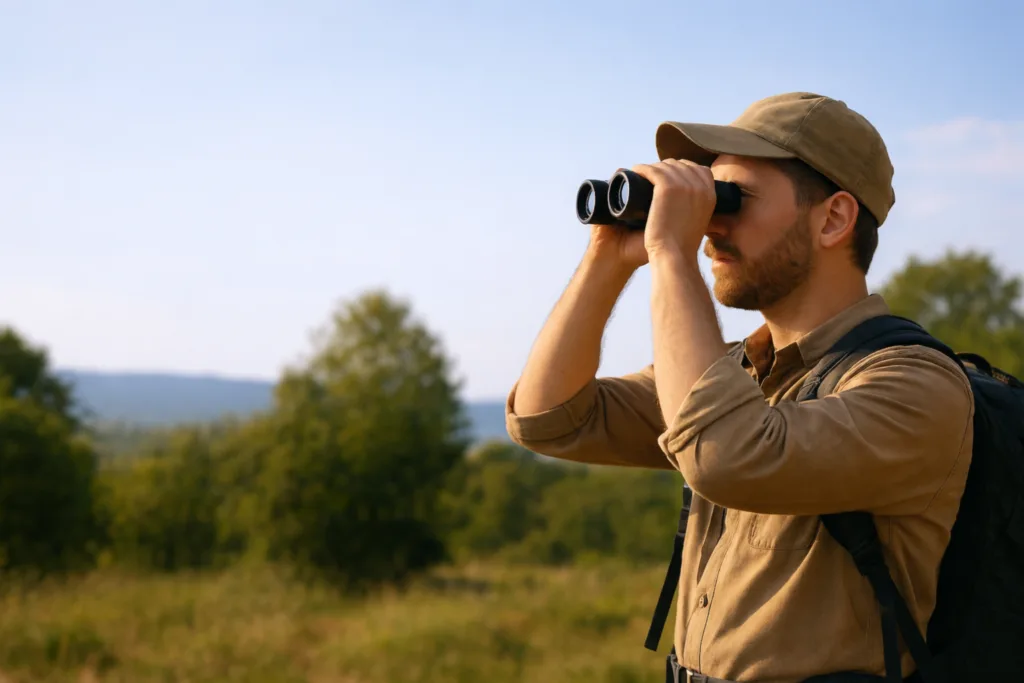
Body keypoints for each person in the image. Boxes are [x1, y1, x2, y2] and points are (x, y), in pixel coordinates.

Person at [503, 92, 975, 682]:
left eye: (732, 199)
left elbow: (723, 455)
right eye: (705, 197)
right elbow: (548, 418)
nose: (709, 226)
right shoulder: (741, 372)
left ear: (833, 219)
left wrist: (671, 253)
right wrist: (608, 256)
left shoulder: (914, 385)